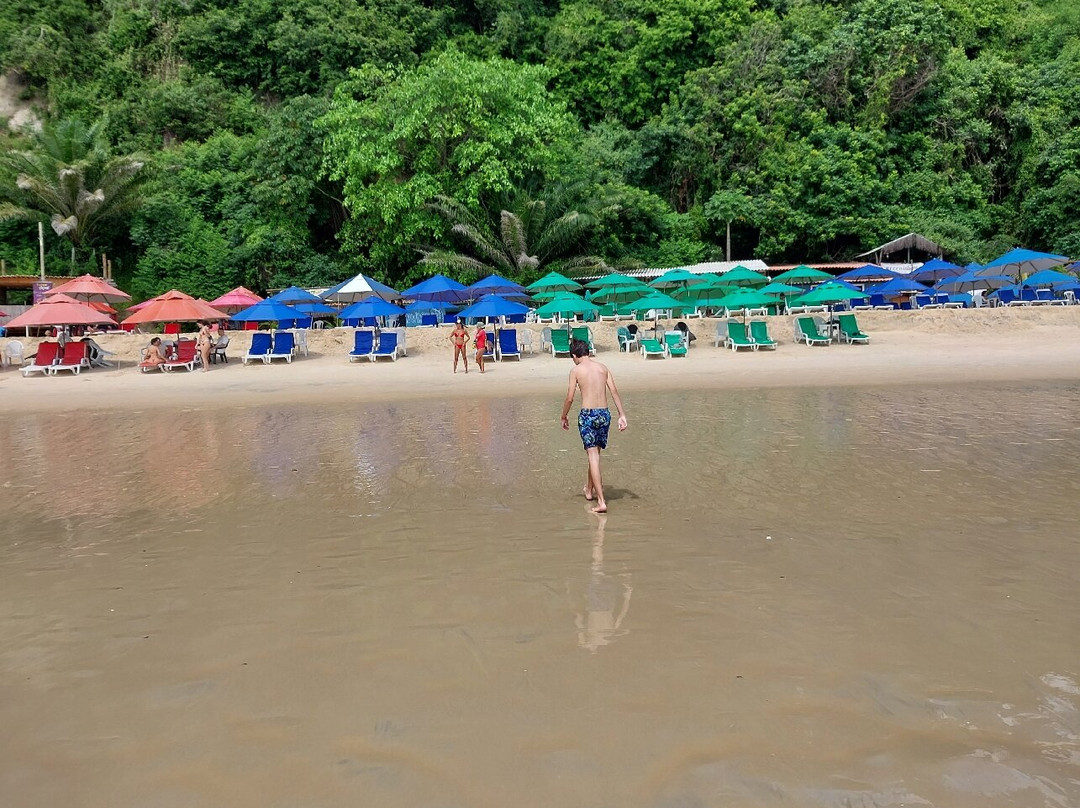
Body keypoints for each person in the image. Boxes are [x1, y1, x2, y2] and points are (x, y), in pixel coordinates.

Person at [560, 339, 628, 514]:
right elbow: (614, 391)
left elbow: (569, 397)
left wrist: (564, 415)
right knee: (595, 454)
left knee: (593, 456)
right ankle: (589, 490)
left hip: (588, 415)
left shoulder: (576, 370)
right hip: (604, 414)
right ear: (588, 352)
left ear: (575, 355)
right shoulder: (602, 368)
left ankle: (601, 502)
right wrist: (622, 415)